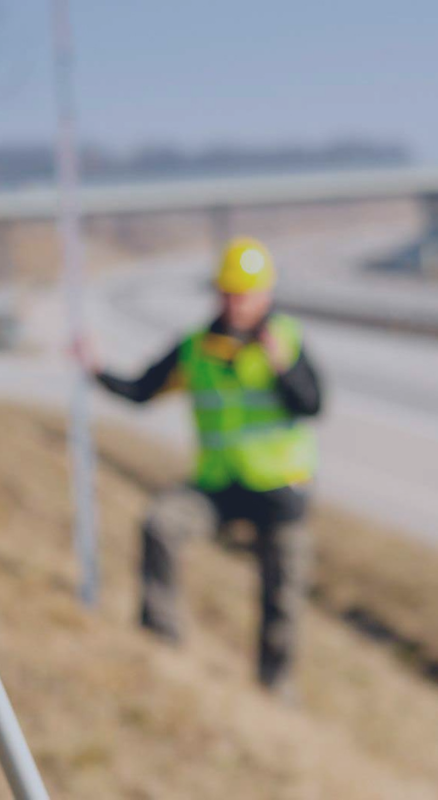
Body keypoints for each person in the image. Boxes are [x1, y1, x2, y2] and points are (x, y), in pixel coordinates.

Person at [83, 237, 322, 695]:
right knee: (161, 524)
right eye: (230, 292)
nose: (238, 303)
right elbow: (141, 390)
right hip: (219, 485)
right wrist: (96, 369)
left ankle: (276, 688)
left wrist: (282, 367)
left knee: (283, 596)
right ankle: (161, 641)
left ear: (266, 295)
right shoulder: (196, 348)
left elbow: (312, 404)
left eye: (247, 293)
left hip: (280, 491)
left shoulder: (286, 341)